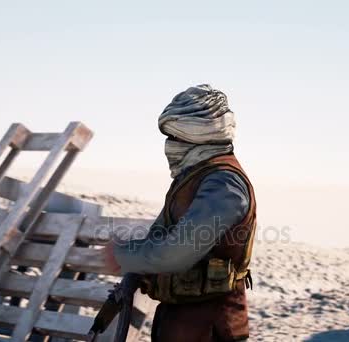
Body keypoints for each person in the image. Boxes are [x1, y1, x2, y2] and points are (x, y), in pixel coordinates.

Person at [104, 84, 257, 342]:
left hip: (211, 326)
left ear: (198, 136)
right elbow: (161, 235)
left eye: (176, 138)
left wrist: (123, 255)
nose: (169, 146)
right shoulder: (194, 178)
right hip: (180, 321)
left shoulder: (223, 183)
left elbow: (177, 251)